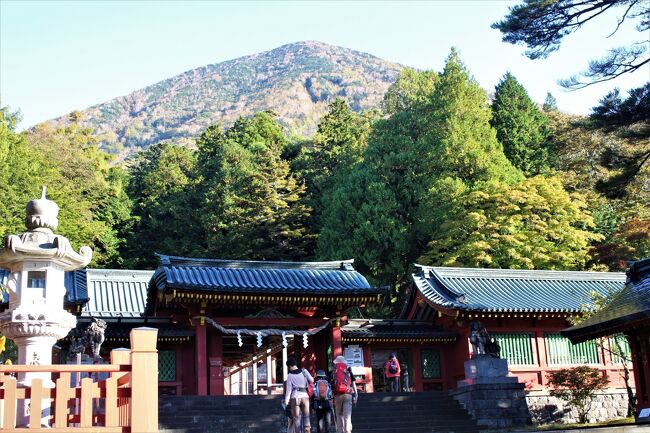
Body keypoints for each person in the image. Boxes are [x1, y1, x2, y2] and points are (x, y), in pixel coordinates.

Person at [283, 356, 314, 433]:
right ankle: (307, 430)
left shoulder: (290, 375)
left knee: (296, 419)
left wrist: (286, 402)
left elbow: (289, 390)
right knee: (306, 417)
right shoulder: (304, 371)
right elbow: (312, 380)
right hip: (305, 397)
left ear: (289, 366)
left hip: (295, 397)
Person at [331, 355, 357, 433]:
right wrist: (356, 394)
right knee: (347, 416)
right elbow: (353, 382)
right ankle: (347, 431)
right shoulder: (348, 368)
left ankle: (340, 431)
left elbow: (332, 383)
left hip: (337, 395)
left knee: (339, 415)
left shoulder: (334, 369)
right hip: (348, 394)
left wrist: (332, 395)